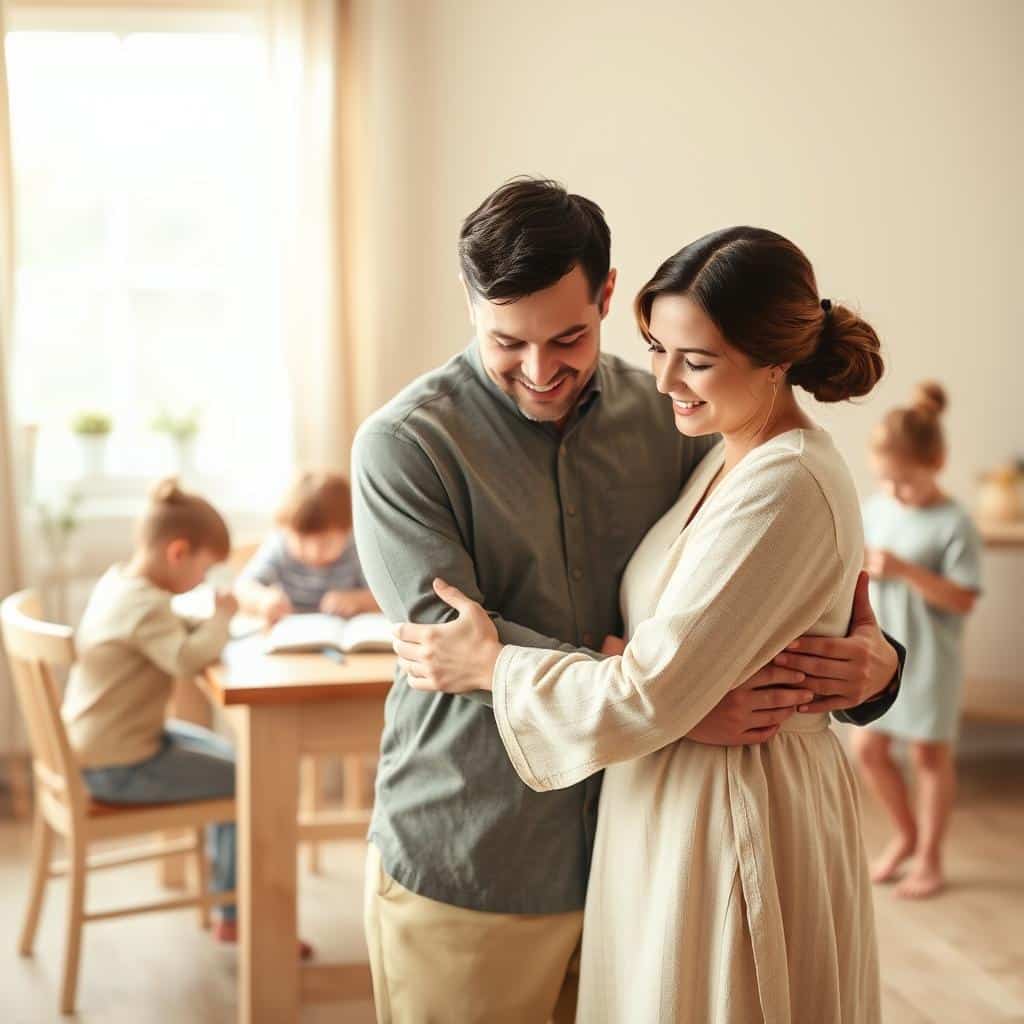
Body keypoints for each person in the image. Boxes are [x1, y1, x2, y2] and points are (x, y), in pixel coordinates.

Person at [353, 181, 901, 1023]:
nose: (540, 369)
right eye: (508, 341)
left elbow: (754, 587)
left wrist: (886, 661)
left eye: (568, 335)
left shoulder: (676, 414)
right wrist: (677, 706)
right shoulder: (406, 444)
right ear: (468, 305)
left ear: (608, 294)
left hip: (646, 849)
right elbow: (444, 639)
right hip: (480, 848)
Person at [62, 478, 240, 941]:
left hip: (101, 748)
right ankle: (236, 912)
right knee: (250, 780)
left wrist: (205, 622)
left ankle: (228, 888)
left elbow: (169, 627)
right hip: (117, 765)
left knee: (238, 762)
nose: (204, 582)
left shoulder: (122, 584)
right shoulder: (146, 609)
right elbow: (184, 659)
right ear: (178, 552)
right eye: (205, 571)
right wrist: (221, 620)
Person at [852, 383, 982, 898]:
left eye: (905, 482)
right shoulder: (877, 508)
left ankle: (930, 856)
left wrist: (905, 570)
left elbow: (963, 600)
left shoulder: (956, 523)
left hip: (931, 662)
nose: (895, 492)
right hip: (883, 655)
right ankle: (905, 836)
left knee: (929, 758)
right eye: (886, 481)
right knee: (867, 748)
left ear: (938, 462)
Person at [235, 470, 378, 624]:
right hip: (291, 636)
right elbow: (243, 587)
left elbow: (383, 596)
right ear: (285, 530)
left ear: (348, 531)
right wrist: (264, 600)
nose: (313, 553)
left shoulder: (356, 549)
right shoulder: (280, 547)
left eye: (326, 543)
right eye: (302, 541)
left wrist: (358, 600)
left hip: (343, 637)